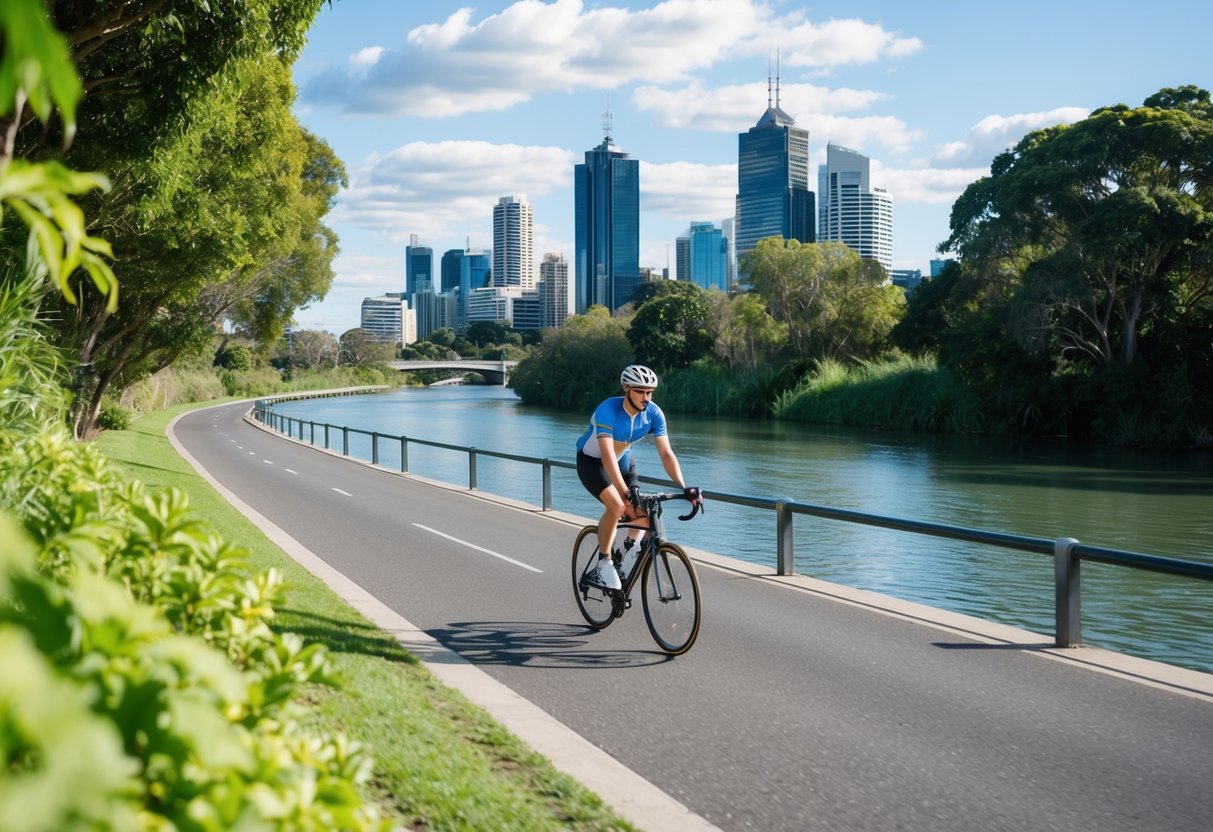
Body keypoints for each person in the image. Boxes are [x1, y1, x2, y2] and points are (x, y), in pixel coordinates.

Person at [575, 364, 699, 590]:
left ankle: (624, 553)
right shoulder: (608, 410)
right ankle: (604, 563)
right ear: (626, 388)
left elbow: (666, 453)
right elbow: (607, 456)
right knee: (617, 506)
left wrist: (684, 486)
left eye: (649, 392)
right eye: (640, 391)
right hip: (592, 462)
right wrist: (623, 493)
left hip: (624, 460)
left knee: (642, 512)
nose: (646, 398)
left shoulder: (653, 413)